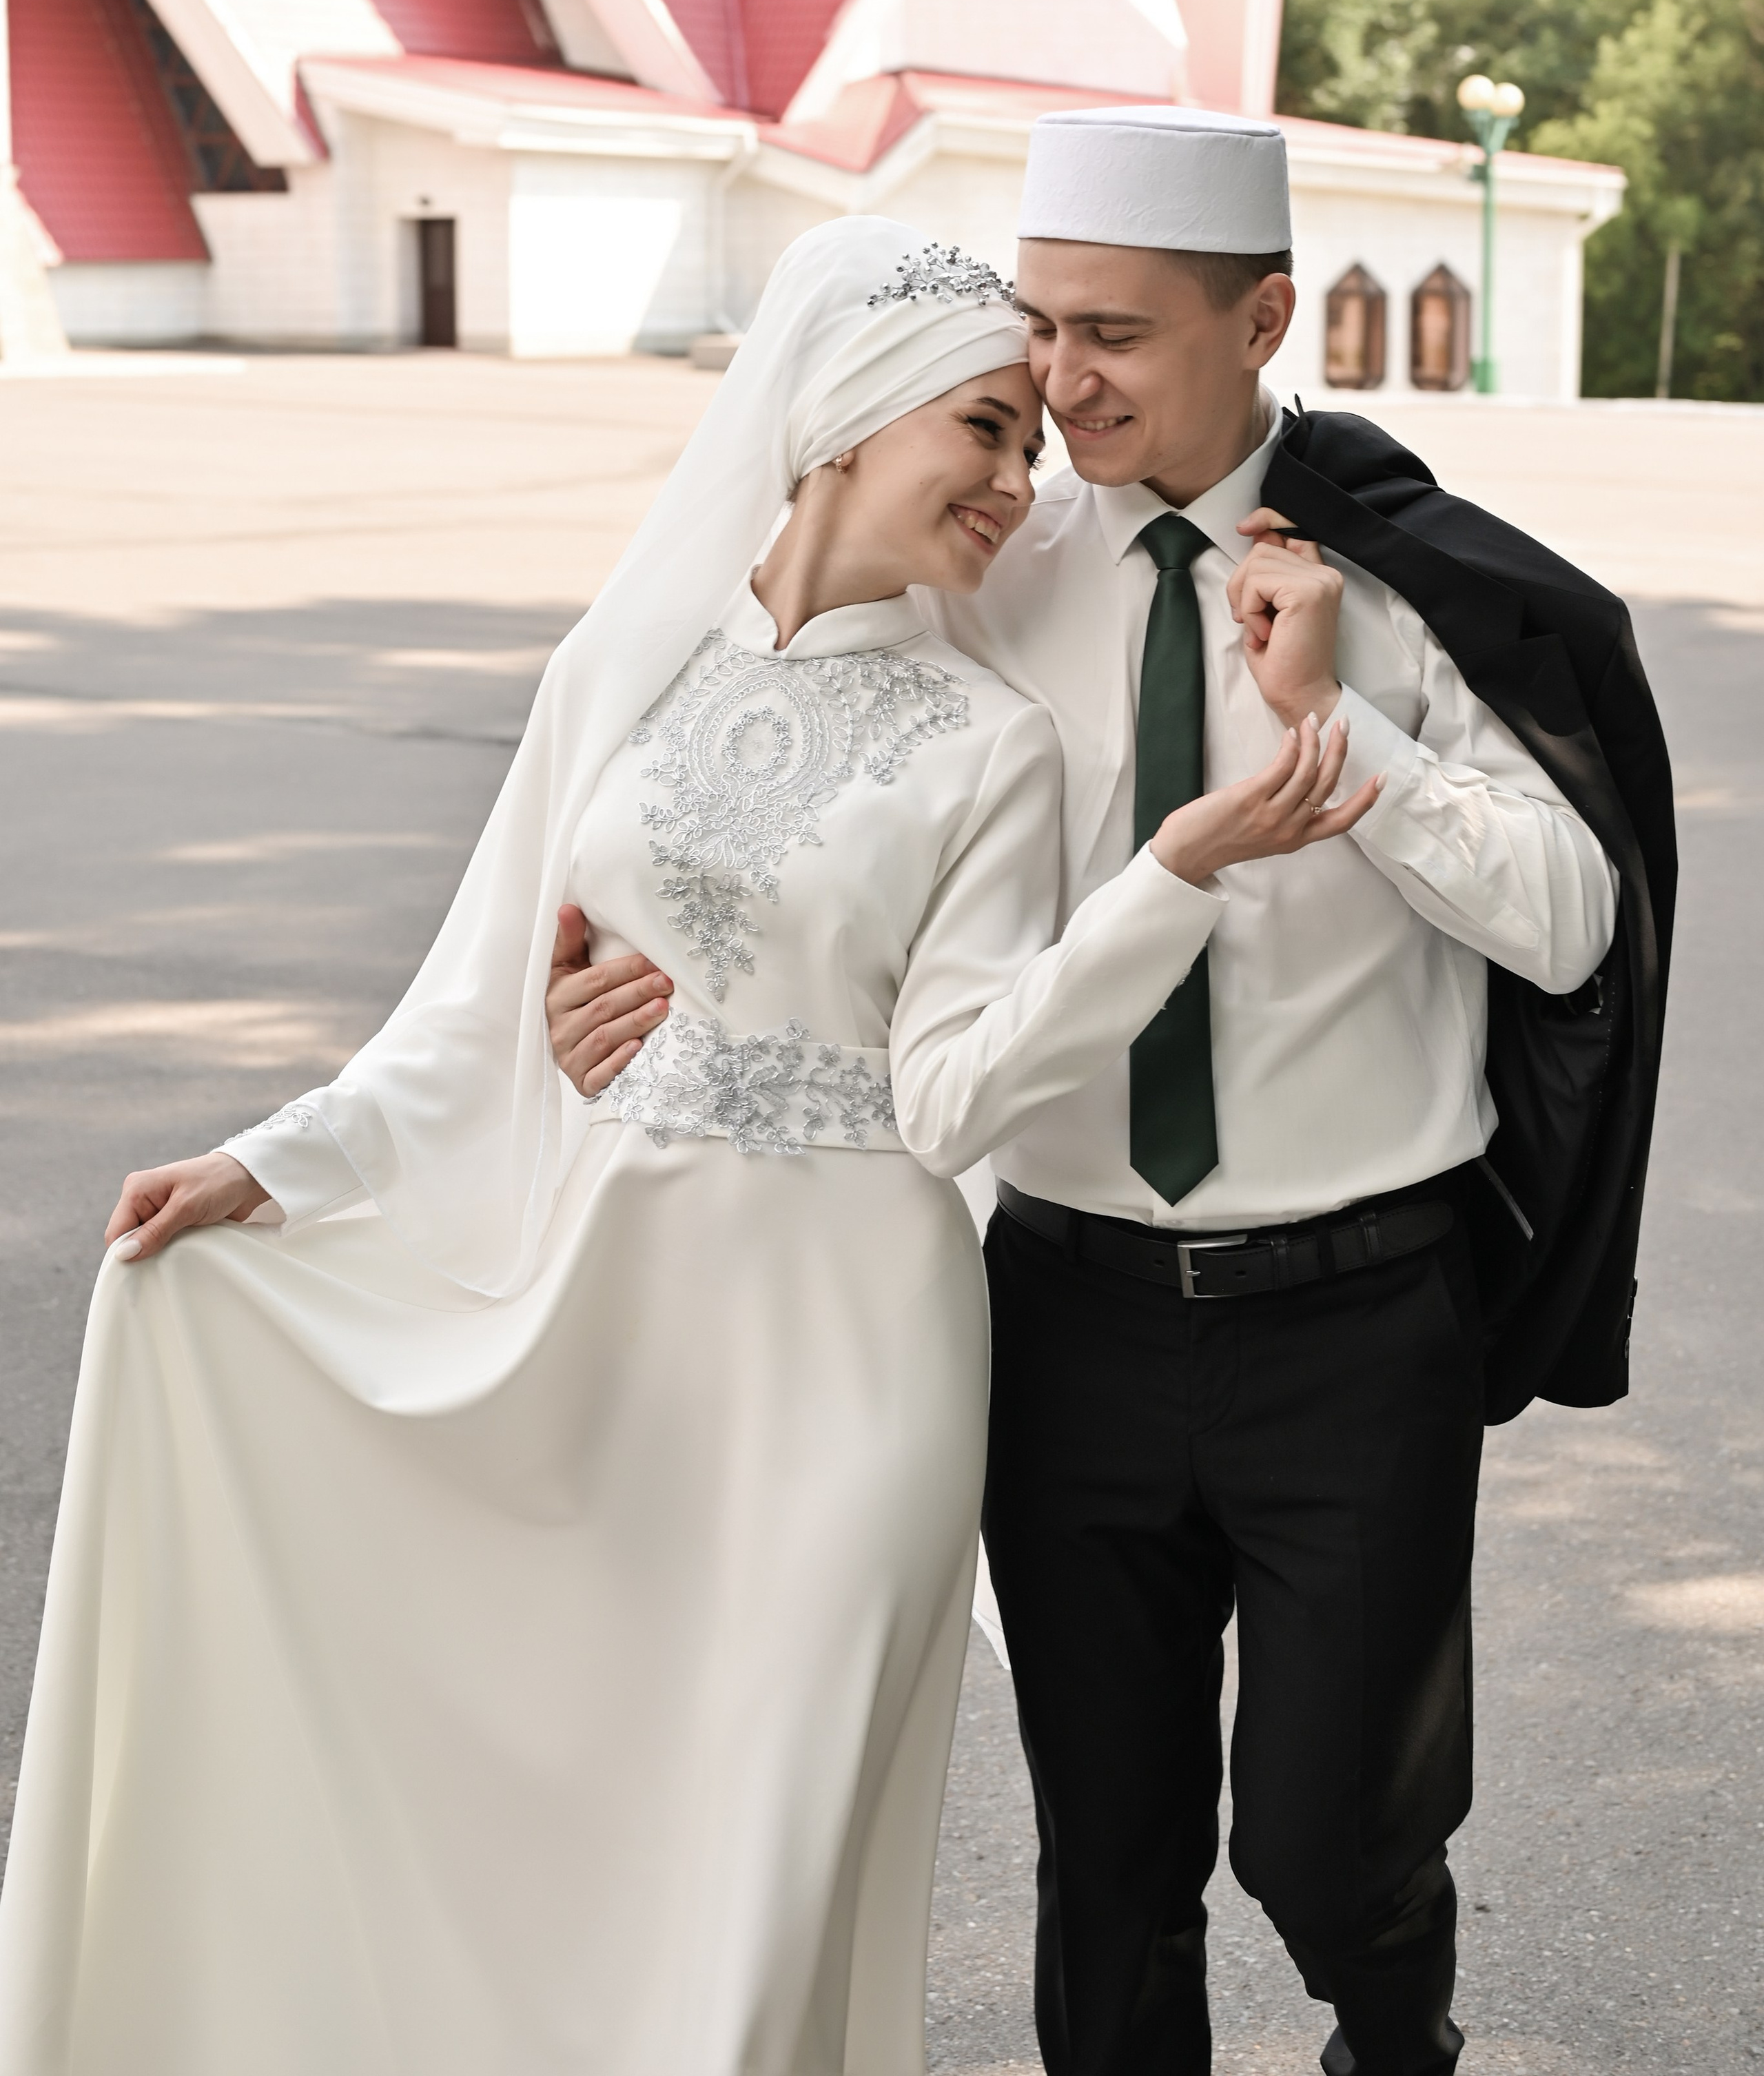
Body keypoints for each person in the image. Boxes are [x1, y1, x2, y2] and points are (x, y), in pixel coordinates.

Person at [0, 215, 1376, 2076]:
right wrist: (282, 1163)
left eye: (1028, 447)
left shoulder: (991, 746)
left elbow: (955, 1089)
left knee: (761, 1883)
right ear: (846, 419)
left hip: (853, 1364)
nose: (1011, 478)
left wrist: (1176, 875)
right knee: (606, 1860)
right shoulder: (628, 670)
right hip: (613, 1320)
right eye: (981, 427)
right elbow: (484, 997)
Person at [916, 110, 1673, 2076]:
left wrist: (1343, 733)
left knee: (1337, 1847)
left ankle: (1393, 2038)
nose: (1058, 379)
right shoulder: (984, 577)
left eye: (1115, 334)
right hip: (1065, 1305)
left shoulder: (1414, 590)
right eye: (1039, 327)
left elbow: (1578, 920)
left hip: (1356, 1321)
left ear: (1262, 316)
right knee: (1111, 1865)